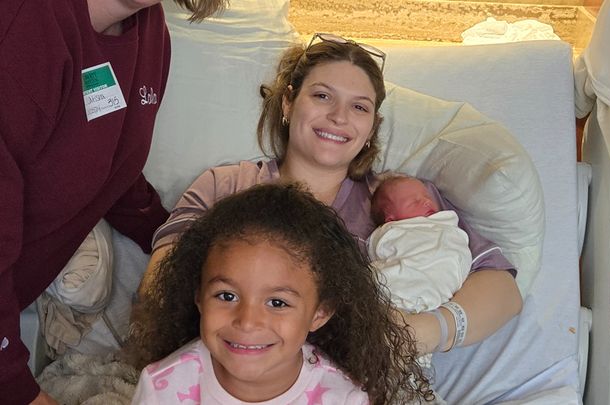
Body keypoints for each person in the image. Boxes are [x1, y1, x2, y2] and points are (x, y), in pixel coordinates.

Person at [140, 32, 522, 382]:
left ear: (372, 127)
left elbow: (502, 287)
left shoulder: (399, 199)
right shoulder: (226, 186)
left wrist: (419, 332)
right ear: (288, 101)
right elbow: (159, 287)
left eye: (359, 107)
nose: (339, 117)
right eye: (322, 96)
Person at [0, 0, 226, 404]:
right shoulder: (21, 26)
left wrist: (181, 244)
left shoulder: (150, 32)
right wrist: (16, 387)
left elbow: (111, 169)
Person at [126, 183, 432, 404]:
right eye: (227, 296)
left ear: (320, 312)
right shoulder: (162, 388)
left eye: (277, 302)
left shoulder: (344, 398)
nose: (248, 322)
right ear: (198, 295)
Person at [367, 174, 472, 366]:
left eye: (427, 196)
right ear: (391, 218)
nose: (426, 201)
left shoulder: (447, 226)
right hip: (396, 288)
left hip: (433, 303)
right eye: (414, 201)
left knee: (411, 353)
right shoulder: (393, 232)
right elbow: (380, 253)